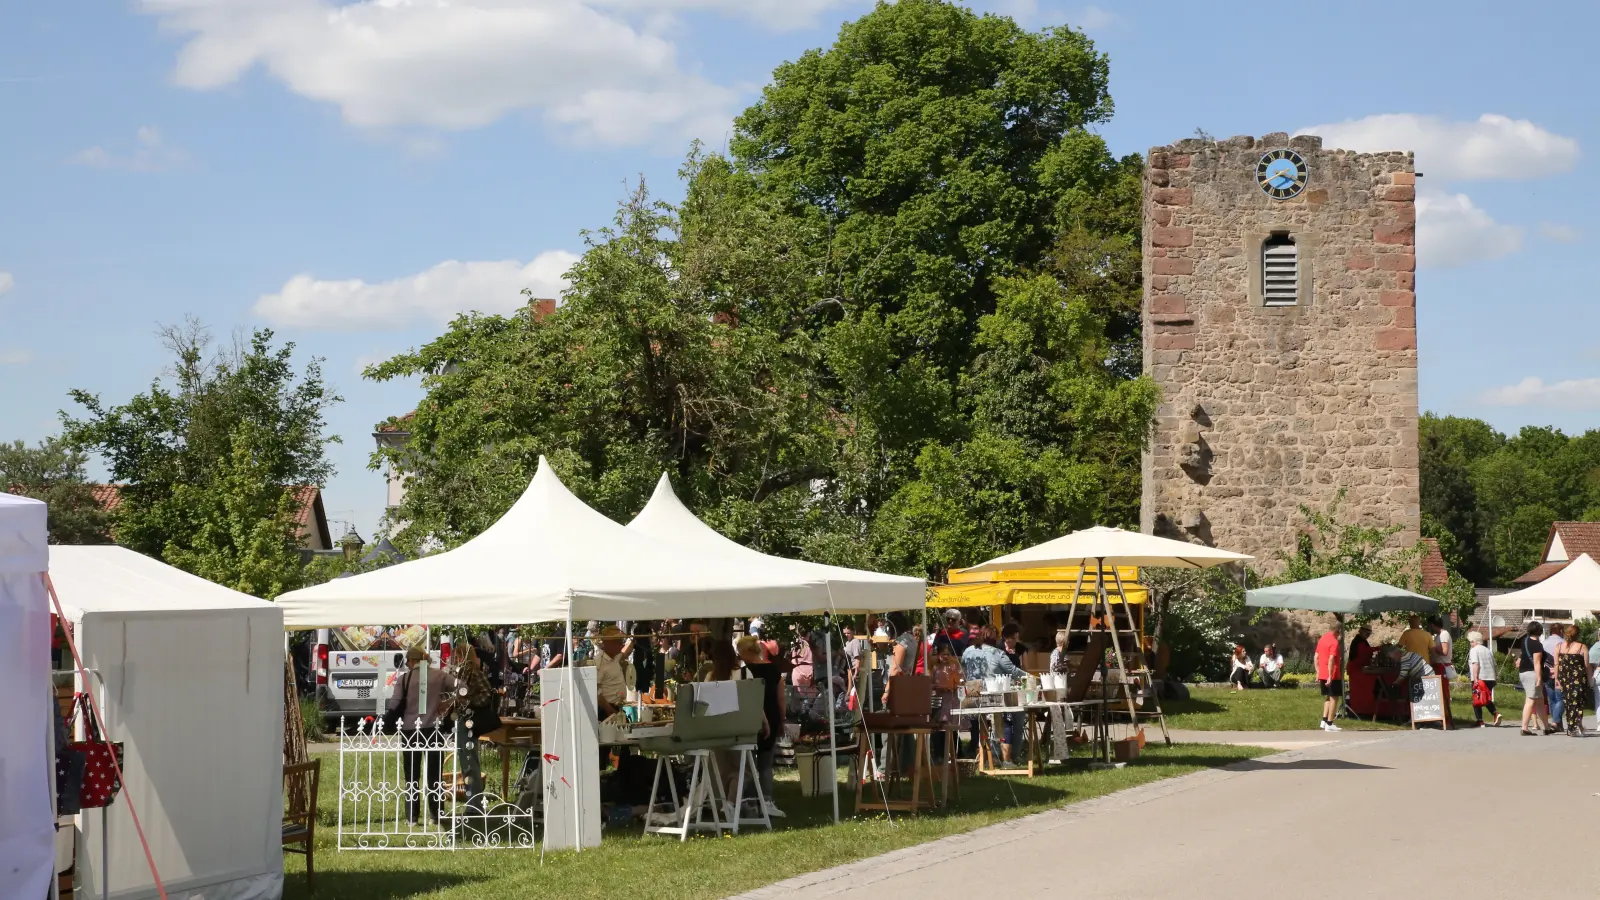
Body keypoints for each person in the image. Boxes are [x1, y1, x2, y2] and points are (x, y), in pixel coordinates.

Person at [387, 645, 460, 824]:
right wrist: (448, 703)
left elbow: (394, 705)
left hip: (410, 731)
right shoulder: (440, 675)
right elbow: (462, 688)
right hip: (433, 729)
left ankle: (412, 817)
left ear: (412, 661)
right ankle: (436, 815)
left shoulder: (404, 679)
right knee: (435, 774)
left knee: (411, 775)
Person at [961, 626, 1026, 767]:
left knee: (983, 723)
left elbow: (963, 669)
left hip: (972, 696)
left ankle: (984, 756)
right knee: (1008, 717)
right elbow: (1013, 671)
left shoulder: (968, 651)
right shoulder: (998, 653)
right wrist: (1031, 678)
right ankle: (1006, 758)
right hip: (992, 697)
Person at [735, 635, 786, 818]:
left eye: (740, 651)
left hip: (750, 716)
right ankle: (766, 800)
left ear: (747, 651)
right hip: (771, 714)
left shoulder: (743, 672)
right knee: (765, 763)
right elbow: (781, 697)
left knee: (748, 761)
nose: (739, 655)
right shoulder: (773, 669)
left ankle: (748, 801)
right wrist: (782, 718)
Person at [590, 626, 636, 720]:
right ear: (608, 643)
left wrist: (634, 639)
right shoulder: (599, 662)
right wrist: (610, 710)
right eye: (619, 642)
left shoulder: (615, 657)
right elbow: (595, 691)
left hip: (617, 707)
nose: (621, 645)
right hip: (606, 710)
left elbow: (625, 652)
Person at [1554, 625, 1591, 736]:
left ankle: (1576, 726)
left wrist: (1557, 679)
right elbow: (1587, 665)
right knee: (1578, 703)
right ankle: (1572, 727)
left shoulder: (1559, 647)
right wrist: (1590, 679)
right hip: (1579, 679)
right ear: (1578, 634)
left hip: (1564, 679)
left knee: (1569, 703)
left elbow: (1556, 664)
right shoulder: (1582, 647)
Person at [1517, 621, 1552, 736]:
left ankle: (1546, 727)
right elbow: (1537, 662)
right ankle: (1524, 728)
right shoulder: (1537, 645)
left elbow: (1522, 656)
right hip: (1532, 674)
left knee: (1540, 701)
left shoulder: (1525, 641)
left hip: (1523, 672)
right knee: (1530, 700)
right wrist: (1539, 678)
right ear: (1540, 631)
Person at [1465, 631, 1501, 727]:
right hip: (1490, 678)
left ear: (1474, 641)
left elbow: (1475, 664)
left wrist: (1475, 678)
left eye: (1470, 641)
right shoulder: (1487, 650)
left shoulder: (1474, 650)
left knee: (1477, 699)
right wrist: (1496, 676)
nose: (1470, 644)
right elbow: (1494, 664)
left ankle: (1480, 720)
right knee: (1485, 698)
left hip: (1480, 678)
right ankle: (1495, 714)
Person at [1313, 628, 1343, 731]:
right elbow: (1331, 659)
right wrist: (1330, 675)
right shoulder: (1334, 642)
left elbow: (1316, 657)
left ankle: (1324, 721)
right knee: (1334, 697)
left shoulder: (1322, 639)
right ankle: (1330, 723)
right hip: (1333, 674)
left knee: (1328, 697)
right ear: (1337, 632)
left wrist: (1318, 672)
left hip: (1323, 673)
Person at [1428, 617, 1455, 727]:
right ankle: (1442, 716)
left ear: (1434, 625)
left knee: (1443, 692)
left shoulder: (1444, 635)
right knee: (1439, 692)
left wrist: (1433, 647)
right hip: (1437, 665)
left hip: (1442, 666)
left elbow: (1444, 651)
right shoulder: (1439, 635)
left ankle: (1447, 718)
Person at [1539, 621, 1566, 728]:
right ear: (1561, 631)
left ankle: (1558, 725)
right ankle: (1556, 721)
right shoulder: (1564, 643)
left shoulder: (1543, 643)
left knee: (1552, 699)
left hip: (1547, 673)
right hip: (1560, 673)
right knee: (1561, 699)